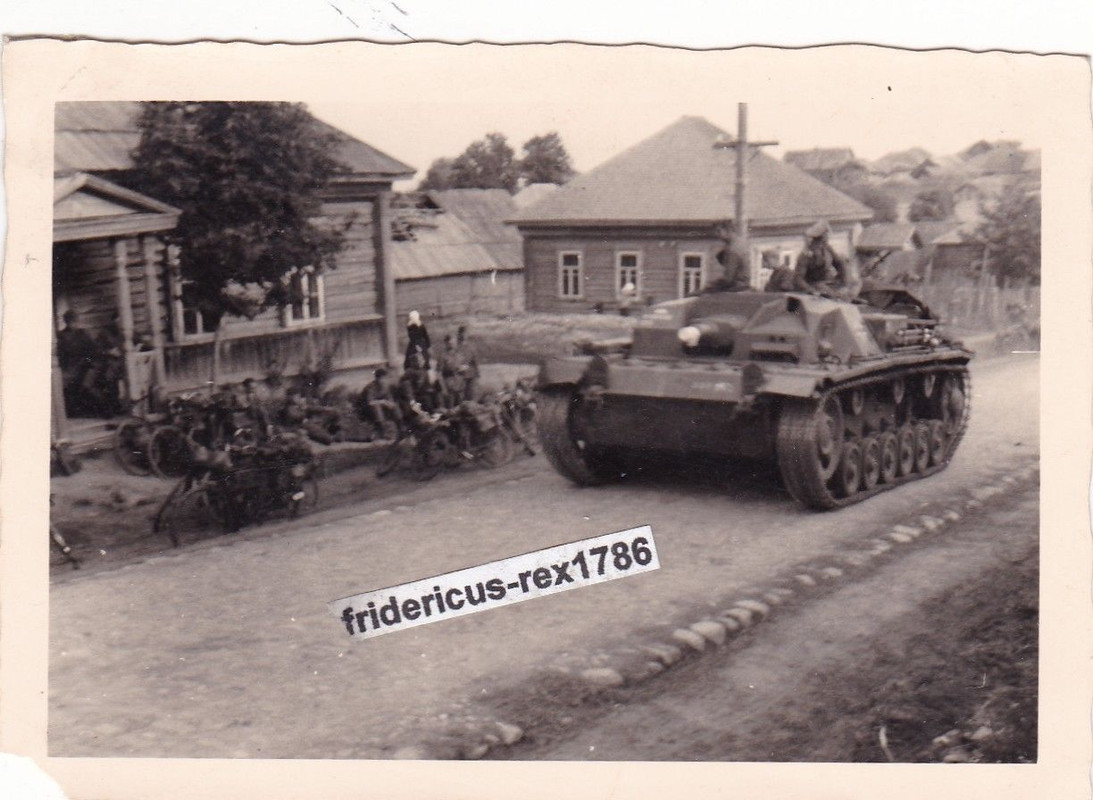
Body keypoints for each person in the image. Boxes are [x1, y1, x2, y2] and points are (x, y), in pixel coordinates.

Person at [792, 221, 859, 299]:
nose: (828, 237)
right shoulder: (806, 255)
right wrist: (811, 290)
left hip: (829, 284)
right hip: (814, 286)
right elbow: (798, 278)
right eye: (826, 235)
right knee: (835, 297)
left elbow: (839, 264)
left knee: (849, 293)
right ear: (822, 236)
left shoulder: (827, 249)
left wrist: (844, 283)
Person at [56, 309, 98, 416]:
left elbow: (93, 351)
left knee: (87, 384)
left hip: (85, 364)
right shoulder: (61, 336)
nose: (74, 324)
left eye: (75, 321)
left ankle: (93, 410)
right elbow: (60, 354)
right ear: (66, 322)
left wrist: (88, 362)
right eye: (71, 322)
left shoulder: (83, 334)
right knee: (67, 383)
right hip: (70, 366)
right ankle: (74, 412)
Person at [701, 223, 752, 293]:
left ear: (728, 230)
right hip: (742, 284)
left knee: (702, 294)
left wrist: (713, 285)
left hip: (737, 287)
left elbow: (728, 279)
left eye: (719, 231)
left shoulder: (733, 249)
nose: (717, 235)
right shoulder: (739, 243)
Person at [359, 368, 401, 438]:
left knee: (395, 406)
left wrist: (391, 404)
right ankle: (382, 431)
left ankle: (400, 427)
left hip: (380, 407)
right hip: (365, 408)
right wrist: (383, 402)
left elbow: (389, 399)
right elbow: (370, 402)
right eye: (382, 378)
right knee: (377, 407)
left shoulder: (385, 387)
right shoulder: (371, 387)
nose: (384, 380)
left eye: (385, 378)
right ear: (377, 378)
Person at [454, 325, 480, 402]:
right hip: (458, 375)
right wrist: (458, 368)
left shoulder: (472, 347)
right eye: (461, 333)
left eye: (465, 333)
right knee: (459, 398)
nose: (463, 335)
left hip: (471, 374)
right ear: (459, 334)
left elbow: (475, 362)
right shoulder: (456, 347)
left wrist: (476, 373)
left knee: (471, 396)